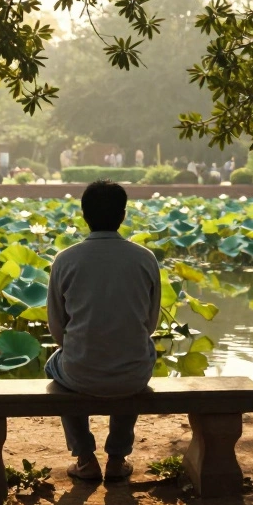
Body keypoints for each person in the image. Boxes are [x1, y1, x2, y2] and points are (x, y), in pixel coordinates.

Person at [46, 180, 161, 483]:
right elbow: (150, 325)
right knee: (136, 351)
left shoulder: (64, 260)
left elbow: (57, 329)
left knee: (53, 364)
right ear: (123, 215)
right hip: (133, 374)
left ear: (84, 215)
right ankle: (117, 458)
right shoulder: (145, 258)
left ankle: (85, 457)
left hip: (79, 371)